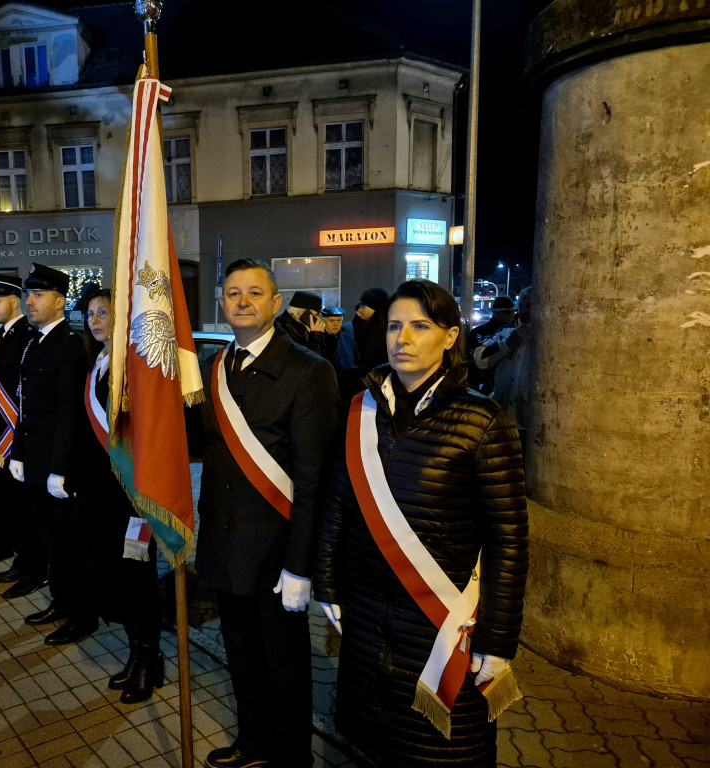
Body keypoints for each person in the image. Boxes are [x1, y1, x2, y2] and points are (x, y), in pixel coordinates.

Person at [314, 279, 528, 768]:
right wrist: (327, 583)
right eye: (393, 326)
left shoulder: (483, 420)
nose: (402, 339)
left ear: (451, 336)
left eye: (419, 326)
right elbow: (337, 502)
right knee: (375, 745)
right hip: (367, 616)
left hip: (440, 621)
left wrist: (498, 640)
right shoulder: (360, 410)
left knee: (440, 752)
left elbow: (509, 540)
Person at [188, 258, 340, 768]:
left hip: (276, 551)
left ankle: (291, 757)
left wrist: (303, 567)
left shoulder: (309, 371)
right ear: (222, 303)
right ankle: (254, 743)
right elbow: (204, 446)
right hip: (225, 541)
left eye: (255, 292)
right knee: (240, 653)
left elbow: (316, 480)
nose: (243, 301)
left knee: (284, 666)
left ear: (276, 303)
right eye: (233, 293)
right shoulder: (215, 365)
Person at [74, 282, 165, 702]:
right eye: (90, 313)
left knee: (139, 572)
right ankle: (138, 651)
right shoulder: (100, 362)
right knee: (121, 576)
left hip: (135, 498)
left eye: (103, 312)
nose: (94, 320)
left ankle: (150, 658)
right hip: (105, 496)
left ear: (122, 315)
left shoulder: (133, 365)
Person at [9, 263, 93, 645]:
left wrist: (59, 469)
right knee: (48, 539)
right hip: (35, 463)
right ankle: (61, 601)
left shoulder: (71, 345)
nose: (29, 301)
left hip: (59, 469)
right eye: (28, 294)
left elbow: (69, 413)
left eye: (38, 295)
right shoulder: (33, 341)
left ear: (60, 301)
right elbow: (25, 408)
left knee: (68, 543)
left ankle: (82, 614)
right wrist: (19, 453)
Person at [0, 273, 45, 590]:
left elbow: (22, 394)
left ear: (14, 301)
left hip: (15, 439)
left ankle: (33, 566)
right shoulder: (0, 337)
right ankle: (22, 560)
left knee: (24, 509)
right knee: (12, 507)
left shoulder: (25, 337)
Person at [474, 287, 533, 457]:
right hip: (503, 417)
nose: (524, 312)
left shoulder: (547, 336)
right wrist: (507, 344)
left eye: (529, 306)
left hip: (529, 422)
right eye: (521, 306)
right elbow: (480, 359)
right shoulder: (505, 332)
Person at [466, 295, 517, 394]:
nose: (511, 315)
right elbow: (475, 360)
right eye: (506, 312)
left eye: (512, 312)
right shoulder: (479, 332)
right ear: (495, 313)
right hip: (484, 383)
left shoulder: (516, 331)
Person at [275, 291, 327, 357]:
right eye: (316, 315)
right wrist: (315, 341)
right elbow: (308, 362)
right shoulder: (283, 330)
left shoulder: (302, 328)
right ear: (303, 313)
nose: (319, 319)